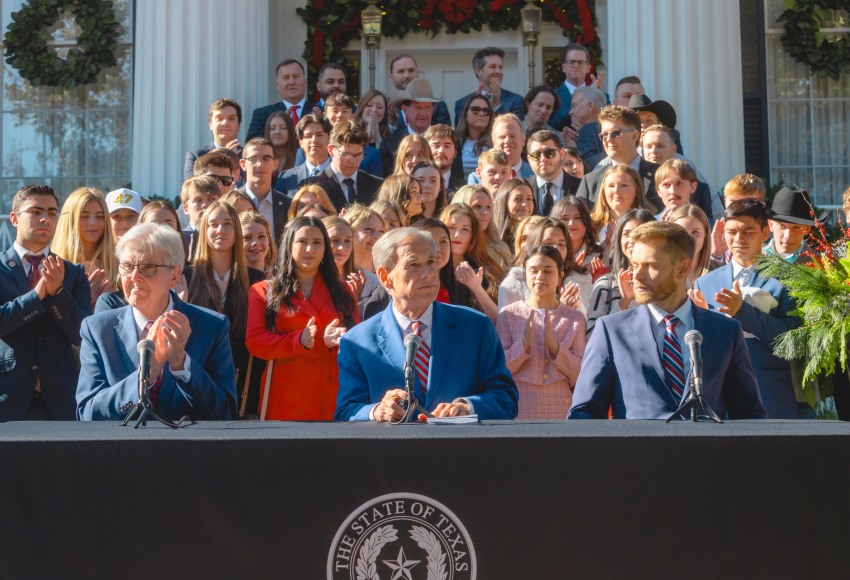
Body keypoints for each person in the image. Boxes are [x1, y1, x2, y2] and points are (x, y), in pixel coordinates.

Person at [569, 221, 767, 420]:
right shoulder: (611, 331)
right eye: (635, 265)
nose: (636, 275)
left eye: (650, 266)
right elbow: (584, 412)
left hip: (706, 450)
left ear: (683, 269)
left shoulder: (726, 331)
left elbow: (749, 414)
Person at [335, 227, 519, 421]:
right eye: (413, 264)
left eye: (431, 262)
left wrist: (468, 406)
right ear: (384, 276)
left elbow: (505, 397)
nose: (427, 273)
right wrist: (377, 411)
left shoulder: (476, 327)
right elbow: (347, 410)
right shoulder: (357, 342)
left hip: (462, 448)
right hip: (393, 450)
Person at [77, 222, 237, 421]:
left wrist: (182, 366)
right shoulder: (98, 329)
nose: (134, 277)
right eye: (127, 267)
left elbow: (226, 413)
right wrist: (145, 377)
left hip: (187, 449)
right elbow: (87, 413)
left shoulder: (212, 326)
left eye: (148, 268)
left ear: (175, 276)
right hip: (121, 450)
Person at [691, 199, 800, 419]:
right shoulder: (706, 282)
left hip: (769, 392)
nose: (739, 240)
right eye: (731, 232)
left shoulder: (789, 280)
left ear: (765, 232)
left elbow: (794, 341)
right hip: (719, 397)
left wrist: (743, 311)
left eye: (748, 232)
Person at [246, 217, 358, 419]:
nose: (310, 249)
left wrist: (340, 340)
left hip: (331, 394)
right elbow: (255, 341)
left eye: (317, 242)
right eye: (303, 242)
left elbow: (358, 343)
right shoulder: (263, 290)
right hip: (284, 396)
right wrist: (298, 340)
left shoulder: (344, 292)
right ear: (289, 245)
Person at [0, 185, 92, 421]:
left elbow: (82, 334)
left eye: (52, 212)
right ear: (14, 218)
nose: (45, 218)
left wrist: (59, 293)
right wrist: (37, 294)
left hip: (61, 400)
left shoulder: (72, 273)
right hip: (7, 396)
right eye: (36, 211)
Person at [186, 201, 265, 417]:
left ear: (237, 231)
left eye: (227, 223)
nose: (220, 230)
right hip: (195, 384)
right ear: (204, 230)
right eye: (213, 224)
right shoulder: (187, 277)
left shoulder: (257, 280)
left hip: (240, 390)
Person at [498, 245, 586, 419]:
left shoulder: (575, 318)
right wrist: (523, 346)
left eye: (547, 271)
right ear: (525, 275)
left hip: (560, 405)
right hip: (519, 404)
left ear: (560, 276)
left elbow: (581, 374)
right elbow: (499, 369)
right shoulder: (509, 314)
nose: (540, 277)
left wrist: (555, 348)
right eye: (534, 271)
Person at [576, 105, 663, 212]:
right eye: (604, 135)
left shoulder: (659, 174)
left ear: (635, 136)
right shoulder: (590, 181)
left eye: (616, 133)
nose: (608, 139)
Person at [586, 209, 656, 335]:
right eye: (626, 234)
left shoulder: (664, 281)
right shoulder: (605, 285)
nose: (631, 240)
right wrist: (624, 301)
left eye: (639, 233)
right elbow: (592, 337)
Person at [497, 217, 584, 313]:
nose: (556, 249)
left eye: (561, 244)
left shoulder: (575, 280)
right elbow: (509, 325)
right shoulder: (512, 285)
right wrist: (559, 310)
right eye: (548, 243)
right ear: (535, 245)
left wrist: (576, 309)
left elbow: (586, 323)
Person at [52, 187, 117, 308]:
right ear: (70, 220)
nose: (93, 222)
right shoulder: (53, 267)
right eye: (84, 216)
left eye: (99, 216)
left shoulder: (120, 265)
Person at [440, 203, 503, 323]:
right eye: (452, 227)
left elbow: (498, 321)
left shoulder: (486, 270)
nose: (457, 235)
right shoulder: (432, 269)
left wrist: (476, 288)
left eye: (465, 229)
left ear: (473, 235)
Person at [641, 125, 718, 220]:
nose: (653, 151)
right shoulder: (634, 180)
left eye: (660, 146)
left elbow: (712, 220)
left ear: (674, 149)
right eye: (648, 146)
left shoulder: (699, 187)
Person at [306, 121, 383, 213]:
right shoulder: (313, 186)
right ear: (331, 150)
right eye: (346, 154)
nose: (352, 161)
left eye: (358, 154)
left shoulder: (377, 185)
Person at [237, 137, 293, 244]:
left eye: (266, 159)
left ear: (275, 164)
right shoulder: (231, 203)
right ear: (243, 164)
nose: (260, 164)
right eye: (253, 159)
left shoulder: (288, 205)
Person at [380, 78, 440, 177]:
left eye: (427, 107)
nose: (423, 113)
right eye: (418, 107)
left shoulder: (444, 141)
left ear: (433, 109)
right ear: (405, 109)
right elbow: (388, 182)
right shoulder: (390, 144)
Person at [247, 59, 314, 140]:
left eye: (296, 76)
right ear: (278, 85)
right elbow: (252, 141)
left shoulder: (318, 112)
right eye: (286, 77)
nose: (291, 82)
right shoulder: (262, 114)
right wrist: (279, 125)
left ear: (305, 82)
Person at [454, 47, 525, 121]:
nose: (498, 71)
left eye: (500, 67)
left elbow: (513, 130)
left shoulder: (516, 101)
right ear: (478, 71)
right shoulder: (462, 104)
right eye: (492, 67)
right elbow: (462, 132)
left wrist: (496, 106)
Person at [452, 184, 513, 271]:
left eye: (488, 207)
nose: (485, 212)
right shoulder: (449, 247)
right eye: (477, 206)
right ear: (461, 208)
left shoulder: (499, 249)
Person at [590, 164, 648, 254]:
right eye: (611, 186)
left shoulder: (647, 223)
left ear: (637, 190)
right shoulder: (592, 223)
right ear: (604, 191)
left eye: (624, 185)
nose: (616, 191)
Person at [322, 92, 383, 177]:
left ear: (353, 116)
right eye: (335, 111)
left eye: (345, 111)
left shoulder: (371, 154)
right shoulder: (317, 146)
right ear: (325, 115)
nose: (340, 115)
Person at [386, 54, 452, 128]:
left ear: (417, 73)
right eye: (401, 71)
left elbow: (445, 137)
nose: (406, 75)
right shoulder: (383, 107)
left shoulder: (437, 106)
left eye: (411, 70)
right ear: (391, 77)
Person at [184, 98, 242, 181]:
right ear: (210, 124)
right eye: (219, 118)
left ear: (238, 125)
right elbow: (193, 189)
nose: (225, 122)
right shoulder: (196, 156)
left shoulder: (249, 157)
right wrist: (223, 157)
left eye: (231, 118)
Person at [526, 130, 582, 215]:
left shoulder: (581, 187)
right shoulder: (523, 188)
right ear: (529, 159)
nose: (543, 159)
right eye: (536, 155)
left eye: (549, 153)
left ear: (562, 154)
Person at [275, 114, 333, 196]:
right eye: (308, 136)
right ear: (301, 142)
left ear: (329, 139)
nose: (314, 140)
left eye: (319, 135)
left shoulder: (342, 174)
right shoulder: (287, 178)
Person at [468, 113, 533, 184]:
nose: (507, 141)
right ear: (493, 142)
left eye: (512, 136)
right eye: (502, 137)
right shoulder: (477, 179)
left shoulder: (535, 174)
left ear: (523, 140)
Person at [549, 42, 599, 132]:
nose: (576, 66)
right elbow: (552, 122)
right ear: (564, 67)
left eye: (580, 62)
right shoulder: (552, 95)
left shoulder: (600, 95)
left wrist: (593, 94)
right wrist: (585, 98)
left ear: (588, 68)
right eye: (571, 62)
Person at [668, 204, 713, 287]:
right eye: (681, 233)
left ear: (705, 236)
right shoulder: (661, 271)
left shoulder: (719, 273)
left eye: (695, 232)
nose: (688, 239)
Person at [180, 175, 222, 263]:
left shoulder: (226, 237)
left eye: (211, 199)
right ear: (186, 208)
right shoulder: (180, 240)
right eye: (198, 200)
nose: (205, 205)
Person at [455, 94, 493, 179]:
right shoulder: (455, 141)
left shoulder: (495, 142)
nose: (481, 114)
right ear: (465, 113)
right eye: (476, 110)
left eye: (486, 111)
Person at [492, 178, 537, 250]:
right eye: (517, 199)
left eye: (529, 199)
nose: (524, 204)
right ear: (504, 202)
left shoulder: (541, 236)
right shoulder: (493, 240)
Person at [570, 86, 608, 170]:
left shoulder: (586, 130)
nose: (570, 112)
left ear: (590, 105)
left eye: (574, 105)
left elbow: (587, 165)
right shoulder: (620, 128)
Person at [424, 124, 467, 194]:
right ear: (426, 149)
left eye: (447, 146)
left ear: (455, 153)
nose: (441, 151)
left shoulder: (463, 188)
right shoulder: (416, 183)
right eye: (436, 146)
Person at [264, 110, 298, 180]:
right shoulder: (262, 160)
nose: (277, 132)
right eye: (273, 128)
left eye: (283, 128)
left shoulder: (299, 158)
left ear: (290, 131)